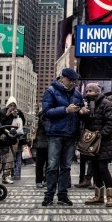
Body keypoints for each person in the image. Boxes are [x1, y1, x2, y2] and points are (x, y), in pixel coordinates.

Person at [41, 68, 83, 206]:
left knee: (66, 167)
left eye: (74, 81)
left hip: (70, 134)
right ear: (62, 78)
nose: (72, 83)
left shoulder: (77, 94)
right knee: (52, 166)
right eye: (70, 80)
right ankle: (49, 195)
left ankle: (62, 195)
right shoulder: (51, 91)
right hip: (55, 133)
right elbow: (46, 112)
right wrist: (66, 110)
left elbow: (80, 108)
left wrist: (81, 111)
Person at [79, 83, 112, 207]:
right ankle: (99, 195)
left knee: (103, 168)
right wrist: (83, 114)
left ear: (97, 91)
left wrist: (101, 134)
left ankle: (111, 196)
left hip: (104, 143)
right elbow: (89, 122)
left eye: (90, 91)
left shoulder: (106, 103)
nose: (88, 93)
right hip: (92, 143)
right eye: (87, 91)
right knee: (95, 169)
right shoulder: (90, 105)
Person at [0, 96, 24, 184]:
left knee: (11, 157)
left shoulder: (18, 112)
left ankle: (6, 176)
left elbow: (22, 123)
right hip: (3, 138)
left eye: (14, 105)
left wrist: (16, 116)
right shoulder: (2, 111)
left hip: (13, 138)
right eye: (10, 105)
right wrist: (7, 115)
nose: (12, 107)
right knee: (1, 158)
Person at [32, 110, 48, 188]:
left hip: (43, 142)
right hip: (43, 142)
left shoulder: (43, 114)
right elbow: (46, 126)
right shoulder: (44, 115)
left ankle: (41, 180)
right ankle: (41, 180)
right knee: (41, 163)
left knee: (42, 163)